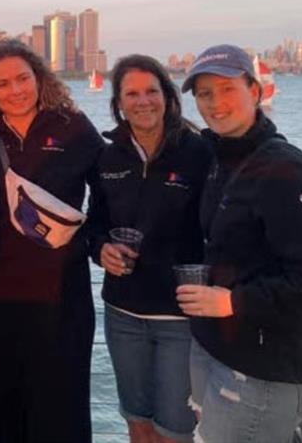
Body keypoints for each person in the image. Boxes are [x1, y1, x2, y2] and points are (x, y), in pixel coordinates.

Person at [177, 44, 302, 443]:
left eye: (226, 89)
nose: (215, 104)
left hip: (261, 371)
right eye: (204, 94)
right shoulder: (222, 159)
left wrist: (232, 302)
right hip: (217, 348)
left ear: (255, 91)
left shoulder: (286, 171)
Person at [0, 39, 104, 443]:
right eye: (2, 83)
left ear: (39, 79)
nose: (16, 90)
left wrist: (99, 243)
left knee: (62, 412)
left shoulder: (73, 128)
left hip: (62, 297)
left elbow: (109, 197)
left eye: (23, 78)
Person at [90, 55, 212, 443]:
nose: (143, 101)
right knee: (137, 423)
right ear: (118, 103)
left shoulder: (198, 152)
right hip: (122, 313)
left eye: (151, 91)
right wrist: (101, 250)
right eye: (132, 94)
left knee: (176, 430)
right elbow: (94, 224)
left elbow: (223, 226)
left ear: (167, 96)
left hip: (179, 316)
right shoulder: (108, 156)